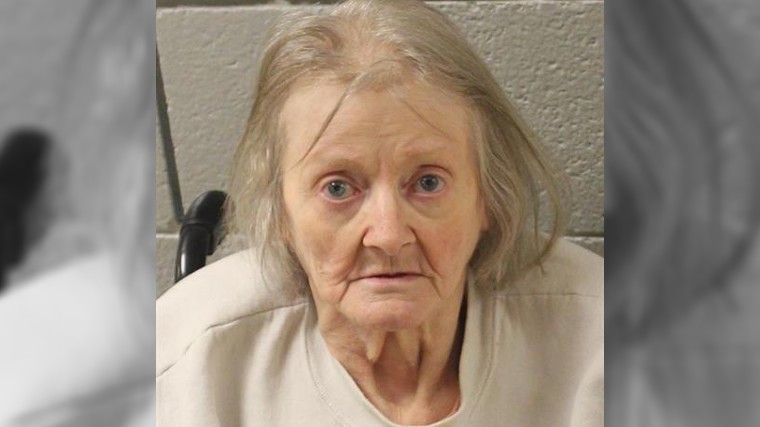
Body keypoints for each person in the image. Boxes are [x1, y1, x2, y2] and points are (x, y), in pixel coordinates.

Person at [157, 1, 603, 426]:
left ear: (486, 197)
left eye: (428, 183)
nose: (388, 236)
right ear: (281, 214)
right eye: (337, 188)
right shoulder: (187, 360)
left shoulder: (601, 338)